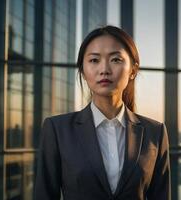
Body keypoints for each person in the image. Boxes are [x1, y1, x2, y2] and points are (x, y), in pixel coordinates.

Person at [34, 25, 171, 200]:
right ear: (83, 71)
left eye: (115, 60)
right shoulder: (57, 129)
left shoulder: (155, 133)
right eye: (94, 60)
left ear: (133, 71)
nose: (104, 69)